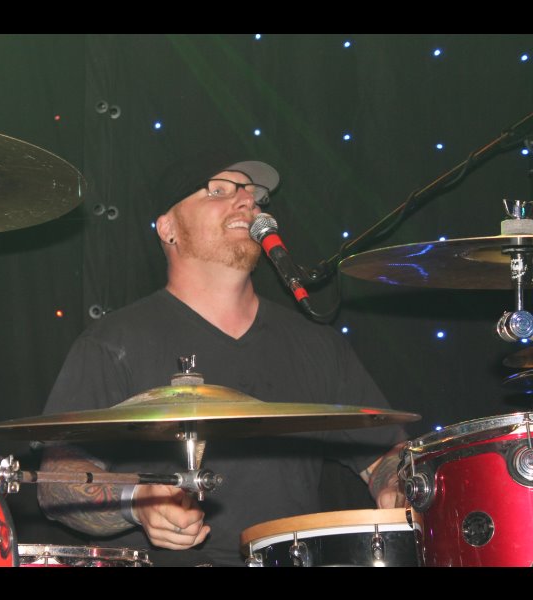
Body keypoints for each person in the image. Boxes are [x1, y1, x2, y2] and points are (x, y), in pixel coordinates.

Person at [36, 151, 407, 567]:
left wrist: (396, 486)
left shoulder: (317, 344)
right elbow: (57, 484)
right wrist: (137, 502)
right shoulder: (112, 342)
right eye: (218, 190)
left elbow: (386, 455)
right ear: (168, 228)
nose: (247, 201)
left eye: (253, 195)